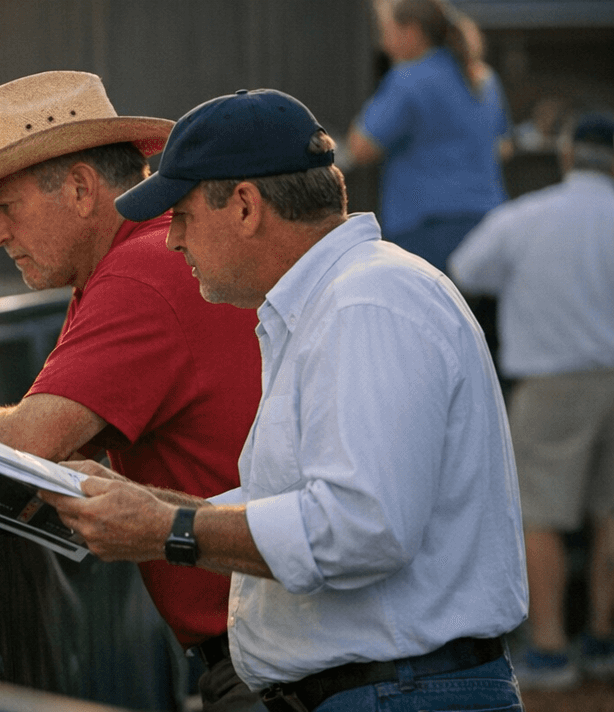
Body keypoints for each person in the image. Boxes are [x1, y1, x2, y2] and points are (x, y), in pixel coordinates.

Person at [44, 87, 527, 712]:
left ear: (245, 205)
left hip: (398, 691)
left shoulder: (366, 301)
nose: (172, 240)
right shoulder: (344, 298)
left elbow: (360, 529)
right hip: (392, 688)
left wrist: (167, 527)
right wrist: (143, 506)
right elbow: (315, 507)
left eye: (183, 213)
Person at [0, 71, 265, 708]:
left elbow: (35, 438)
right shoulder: (131, 262)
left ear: (83, 188)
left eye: (6, 208)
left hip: (258, 656)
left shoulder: (138, 272)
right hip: (257, 636)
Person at [449, 111, 614, 689]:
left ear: (568, 154)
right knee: (611, 514)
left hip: (552, 381)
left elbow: (466, 268)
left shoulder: (526, 217)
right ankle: (602, 639)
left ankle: (549, 650)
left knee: (538, 516)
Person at [347, 0, 511, 270]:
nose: (384, 44)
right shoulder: (485, 79)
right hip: (489, 225)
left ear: (411, 32)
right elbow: (504, 147)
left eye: (387, 31)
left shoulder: (407, 79)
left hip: (427, 230)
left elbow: (361, 147)